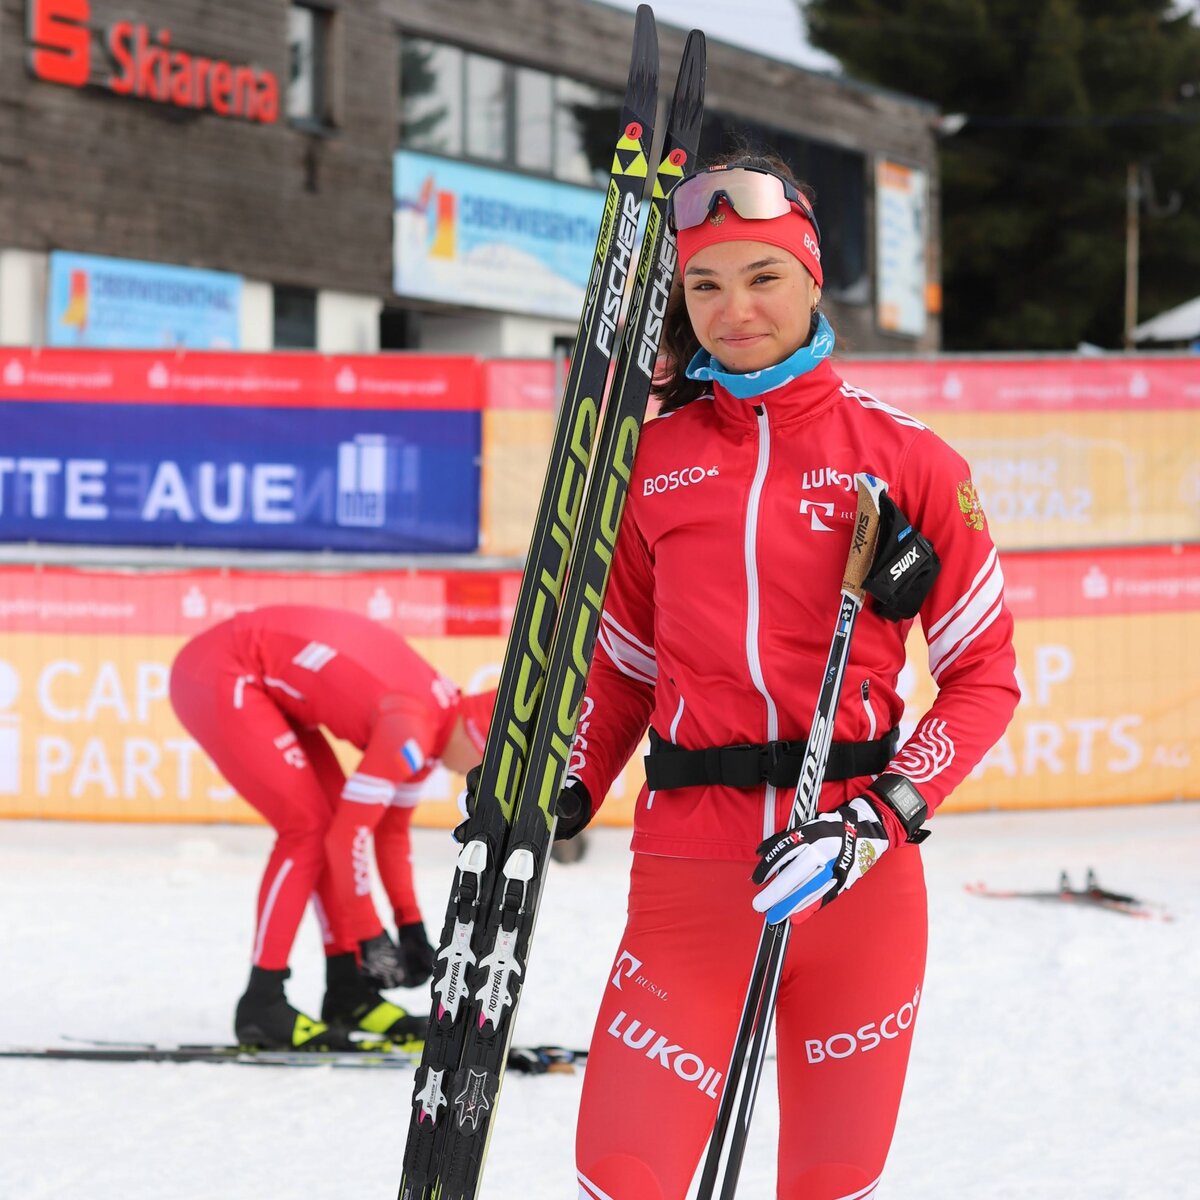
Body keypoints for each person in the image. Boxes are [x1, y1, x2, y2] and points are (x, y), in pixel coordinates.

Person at [561, 157, 1021, 1199]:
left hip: (853, 872)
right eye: (705, 286)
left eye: (764, 276)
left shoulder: (912, 463)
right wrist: (571, 786)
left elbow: (984, 677)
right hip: (690, 867)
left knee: (833, 1179)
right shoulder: (648, 461)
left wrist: (878, 821)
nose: (735, 309)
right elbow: (626, 672)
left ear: (815, 281)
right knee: (620, 1170)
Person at [169, 604, 496, 1051]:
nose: (471, 779)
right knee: (307, 826)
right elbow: (350, 837)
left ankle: (348, 990)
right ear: (480, 741)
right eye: (482, 770)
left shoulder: (438, 722)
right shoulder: (412, 730)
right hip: (221, 670)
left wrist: (410, 924)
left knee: (325, 821)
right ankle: (262, 1000)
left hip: (254, 670)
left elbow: (389, 833)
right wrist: (370, 932)